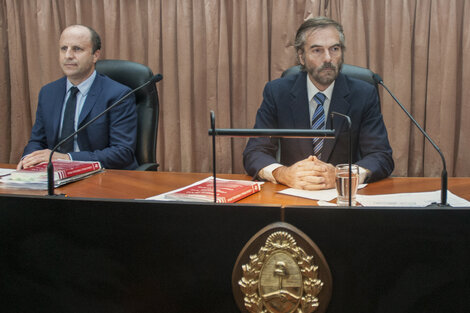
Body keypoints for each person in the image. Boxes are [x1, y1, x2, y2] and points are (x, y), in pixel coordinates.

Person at [243, 17, 394, 190]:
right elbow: (255, 152)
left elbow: (380, 156)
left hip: (342, 199)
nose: (328, 58)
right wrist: (283, 173)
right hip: (292, 196)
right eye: (317, 51)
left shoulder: (363, 94)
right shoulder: (277, 92)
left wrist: (344, 175)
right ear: (301, 57)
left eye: (334, 49)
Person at [18, 25, 138, 170]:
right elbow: (37, 141)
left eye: (77, 49)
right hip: (55, 176)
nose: (68, 55)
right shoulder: (48, 92)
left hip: (102, 176)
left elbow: (121, 152)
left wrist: (67, 159)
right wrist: (28, 159)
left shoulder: (118, 94)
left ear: (95, 55)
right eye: (64, 48)